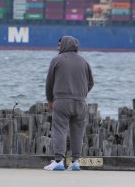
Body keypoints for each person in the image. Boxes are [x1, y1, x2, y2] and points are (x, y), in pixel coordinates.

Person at [44, 35, 94, 171]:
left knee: (59, 130)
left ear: (65, 45)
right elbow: (91, 82)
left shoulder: (57, 60)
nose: (58, 47)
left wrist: (50, 100)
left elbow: (49, 83)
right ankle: (75, 162)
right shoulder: (84, 61)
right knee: (77, 132)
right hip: (80, 102)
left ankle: (59, 161)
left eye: (60, 45)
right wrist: (81, 94)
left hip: (62, 101)